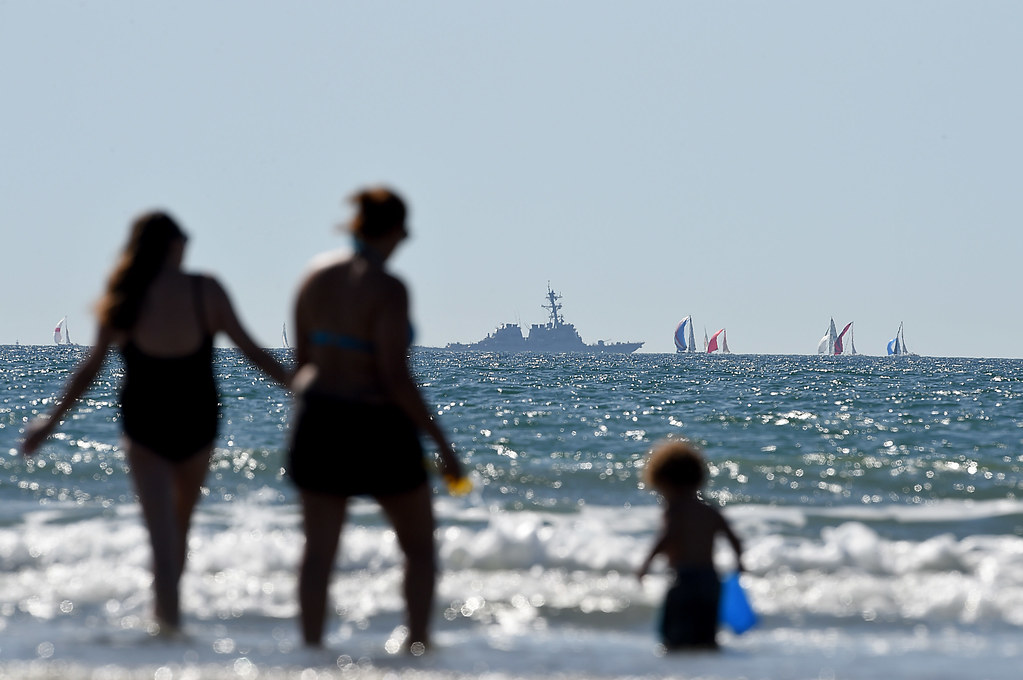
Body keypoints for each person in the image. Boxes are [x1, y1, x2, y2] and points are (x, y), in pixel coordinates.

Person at [21, 211, 290, 633]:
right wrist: (300, 386)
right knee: (177, 530)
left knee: (163, 533)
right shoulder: (205, 290)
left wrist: (48, 424)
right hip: (197, 421)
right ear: (172, 244)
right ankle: (170, 621)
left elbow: (89, 370)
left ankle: (166, 623)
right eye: (184, 238)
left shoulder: (126, 295)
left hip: (144, 423)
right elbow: (253, 352)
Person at [289, 186, 463, 653]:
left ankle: (311, 653)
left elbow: (303, 360)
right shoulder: (389, 288)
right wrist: (442, 444)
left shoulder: (314, 278)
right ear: (397, 230)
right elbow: (394, 374)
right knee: (420, 548)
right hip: (377, 424)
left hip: (319, 419)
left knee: (318, 553)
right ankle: (417, 645)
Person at [636, 439, 744, 650]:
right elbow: (734, 539)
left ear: (664, 481)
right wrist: (740, 563)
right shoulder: (709, 511)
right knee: (705, 639)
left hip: (683, 580)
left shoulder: (675, 510)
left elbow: (666, 537)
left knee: (673, 641)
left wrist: (645, 565)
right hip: (710, 580)